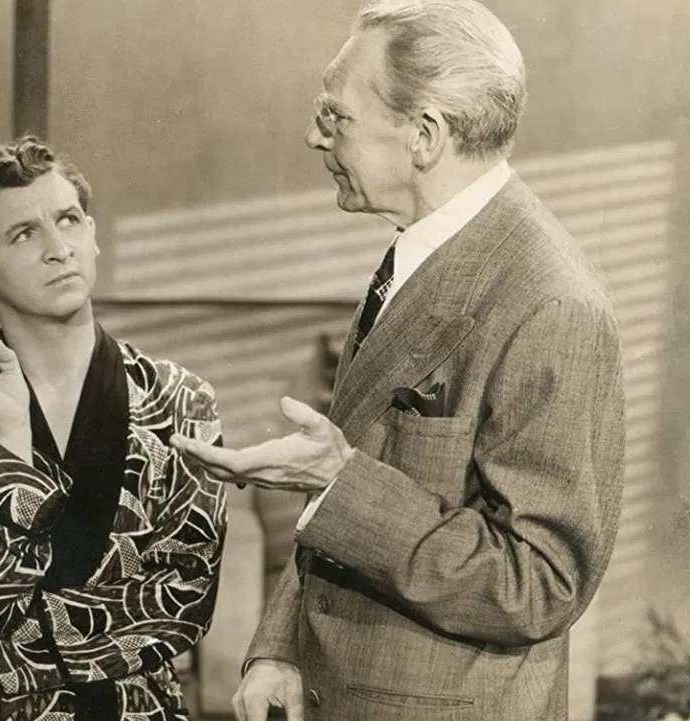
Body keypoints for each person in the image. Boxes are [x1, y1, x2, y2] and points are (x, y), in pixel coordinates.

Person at [172, 1, 625, 719]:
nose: (314, 136)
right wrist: (282, 645)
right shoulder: (418, 254)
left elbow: (540, 583)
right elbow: (353, 483)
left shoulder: (551, 304)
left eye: (336, 116)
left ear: (424, 136)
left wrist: (337, 482)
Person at [0, 136, 228, 721]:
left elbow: (183, 603)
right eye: (24, 233)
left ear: (92, 234)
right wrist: (13, 443)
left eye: (68, 220)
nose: (58, 248)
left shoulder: (181, 400)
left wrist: (3, 655)